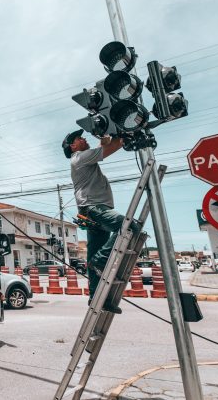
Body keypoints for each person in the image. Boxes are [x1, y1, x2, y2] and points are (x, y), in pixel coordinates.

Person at [62, 129, 139, 314]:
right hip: (94, 209)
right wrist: (123, 136)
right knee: (129, 226)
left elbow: (103, 145)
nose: (84, 138)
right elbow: (110, 148)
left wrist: (105, 135)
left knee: (93, 257)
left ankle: (97, 298)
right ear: (73, 146)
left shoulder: (84, 157)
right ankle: (101, 260)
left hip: (92, 211)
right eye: (80, 138)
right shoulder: (79, 157)